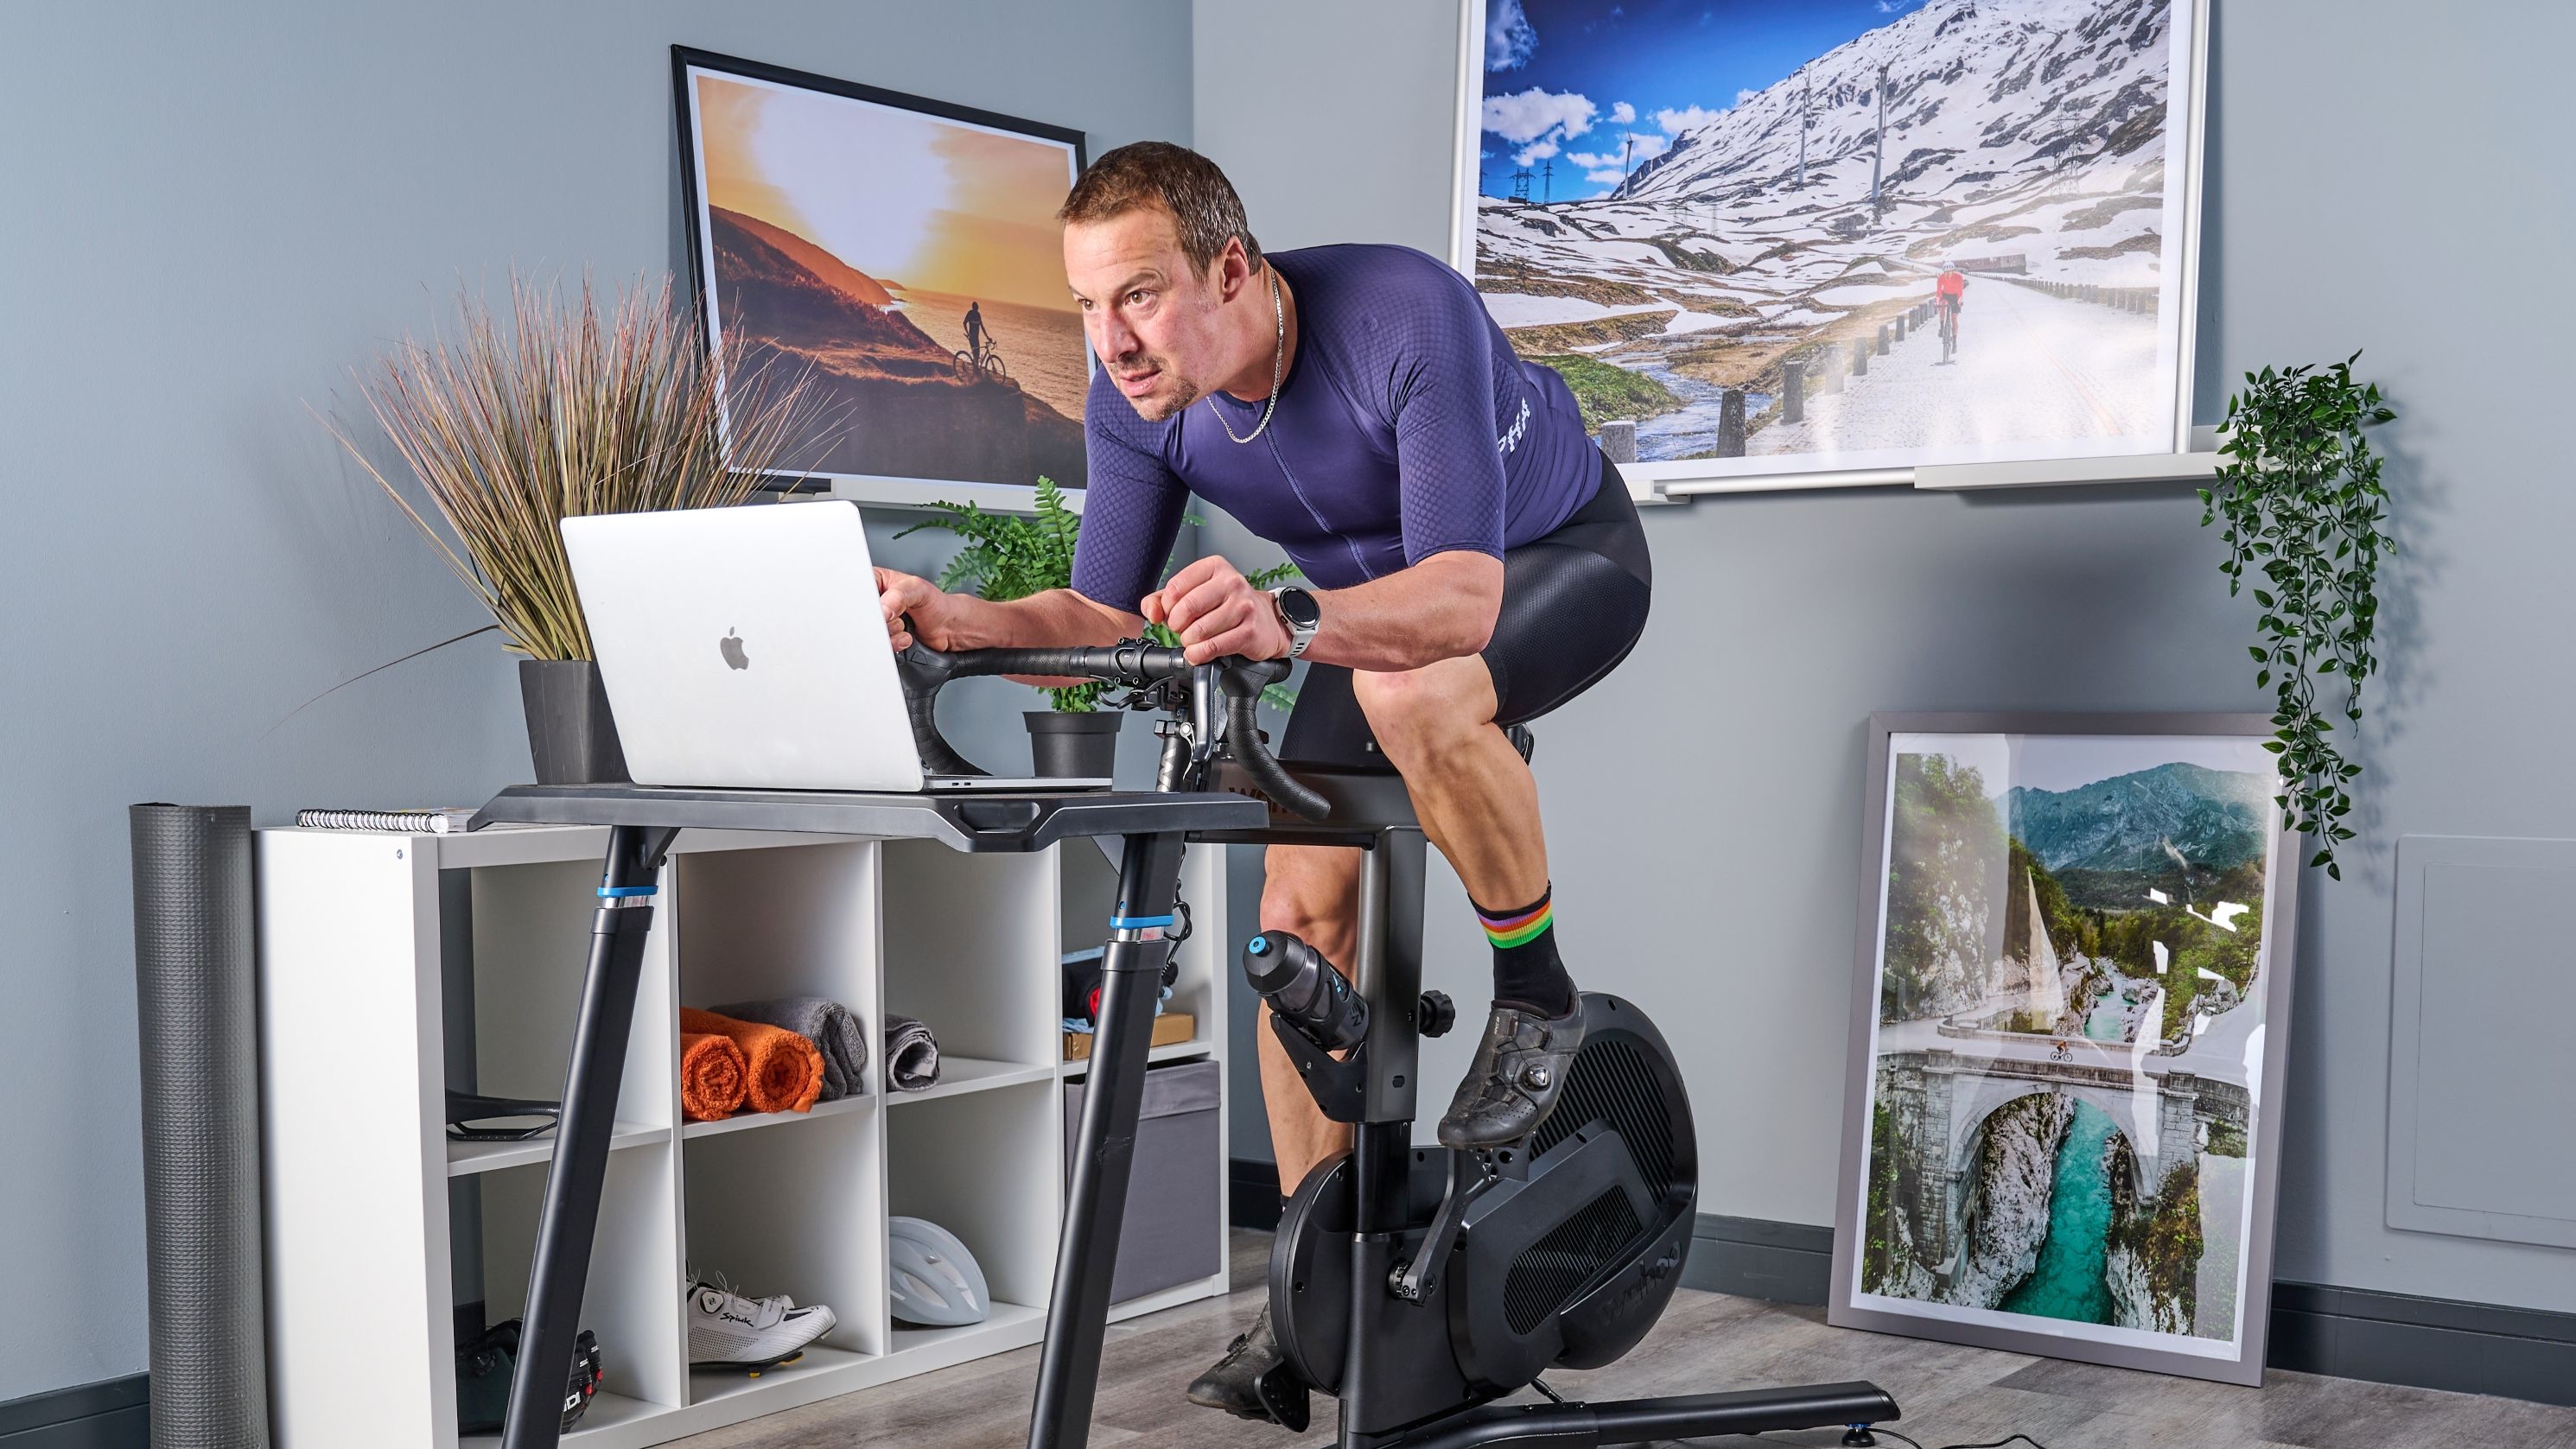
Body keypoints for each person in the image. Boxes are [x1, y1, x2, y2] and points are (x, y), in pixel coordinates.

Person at [870, 143, 1652, 1419]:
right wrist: (960, 619)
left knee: (1412, 692)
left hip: (1550, 559)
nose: (1111, 341)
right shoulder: (1136, 398)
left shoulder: (1403, 314)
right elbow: (1094, 613)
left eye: (1137, 295)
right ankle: (1313, 1288)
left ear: (1229, 268)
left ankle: (1537, 992)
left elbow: (1461, 599)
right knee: (1295, 925)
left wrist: (1285, 615)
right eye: (1085, 304)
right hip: (1352, 615)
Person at [963, 299, 989, 365]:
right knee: (975, 354)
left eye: (977, 308)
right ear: (974, 307)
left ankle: (976, 367)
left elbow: (982, 327)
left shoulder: (978, 314)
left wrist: (987, 337)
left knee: (977, 353)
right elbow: (964, 323)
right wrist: (968, 333)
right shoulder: (970, 313)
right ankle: (975, 367)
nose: (977, 309)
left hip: (976, 337)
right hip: (972, 337)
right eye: (976, 308)